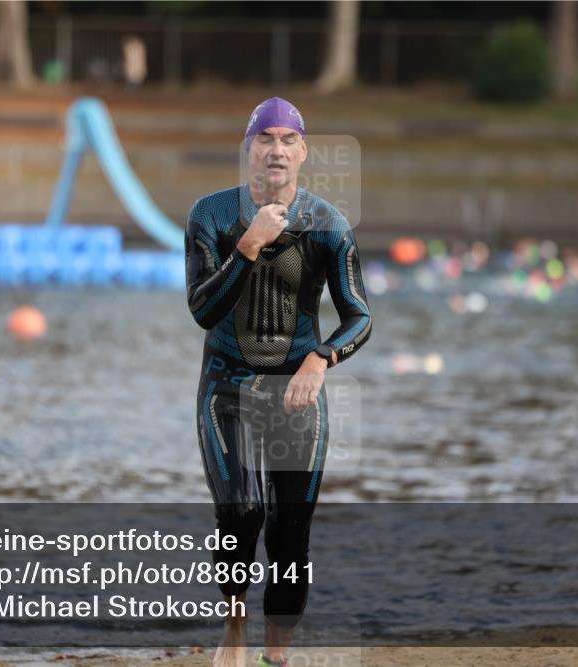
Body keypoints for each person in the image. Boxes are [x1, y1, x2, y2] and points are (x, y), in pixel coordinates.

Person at [185, 97, 372, 667]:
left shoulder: (329, 226)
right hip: (227, 388)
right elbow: (202, 309)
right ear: (249, 150)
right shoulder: (211, 216)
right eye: (265, 138)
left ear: (302, 153)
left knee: (290, 532)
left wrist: (320, 361)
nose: (276, 149)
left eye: (288, 140)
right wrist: (248, 245)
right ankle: (235, 626)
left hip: (295, 392)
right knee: (241, 512)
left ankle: (278, 657)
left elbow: (360, 316)